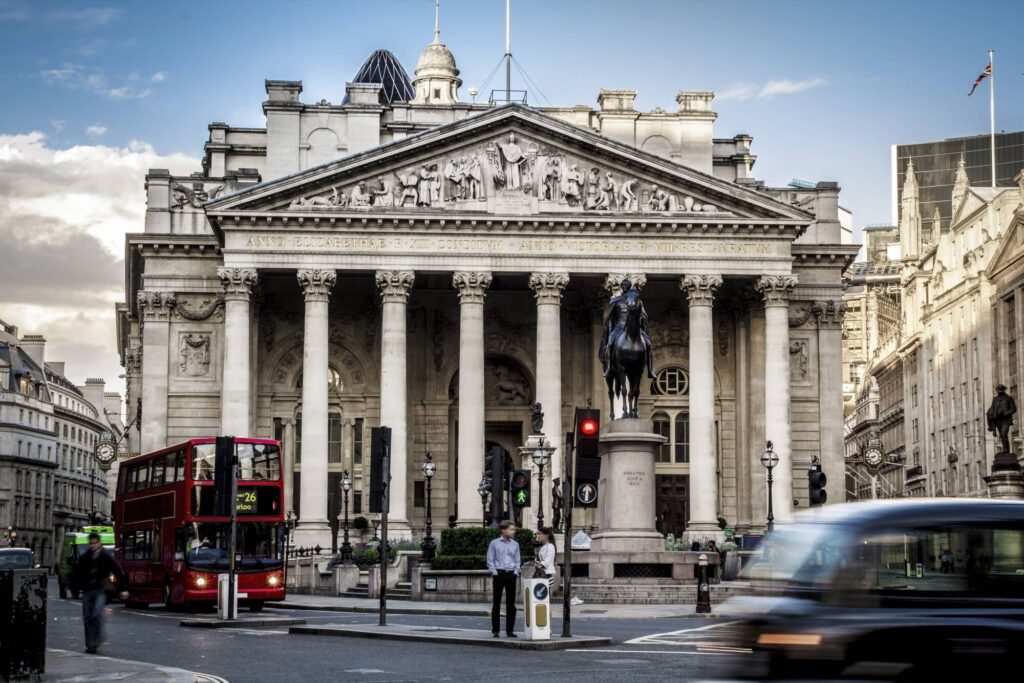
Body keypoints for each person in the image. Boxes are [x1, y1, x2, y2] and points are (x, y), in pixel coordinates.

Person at [69, 532, 128, 654]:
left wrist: (123, 589)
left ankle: (96, 641)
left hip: (101, 590)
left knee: (95, 615)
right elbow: (77, 574)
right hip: (87, 591)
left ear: (99, 543)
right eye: (90, 543)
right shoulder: (85, 557)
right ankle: (90, 644)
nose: (92, 545)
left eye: (95, 542)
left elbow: (118, 571)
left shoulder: (105, 557)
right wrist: (72, 589)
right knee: (87, 618)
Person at [486, 521, 521, 638]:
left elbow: (517, 560)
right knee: (497, 603)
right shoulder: (494, 543)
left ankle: (510, 631)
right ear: (503, 530)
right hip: (499, 574)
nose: (513, 531)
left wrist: (516, 572)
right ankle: (495, 630)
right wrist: (495, 572)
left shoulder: (515, 544)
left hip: (511, 575)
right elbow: (490, 560)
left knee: (511, 604)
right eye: (511, 529)